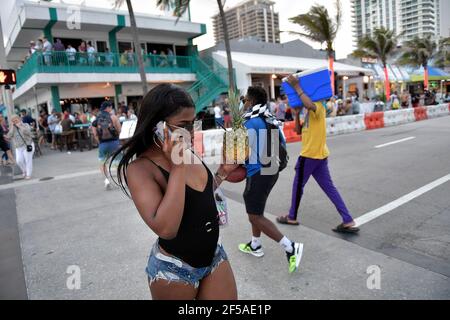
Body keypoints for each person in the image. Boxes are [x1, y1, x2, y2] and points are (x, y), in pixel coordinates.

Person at [108, 83, 238, 300]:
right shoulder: (140, 169)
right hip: (174, 271)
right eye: (183, 125)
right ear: (157, 126)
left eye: (192, 124)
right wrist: (177, 166)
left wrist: (223, 172)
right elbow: (166, 228)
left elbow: (197, 197)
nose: (189, 132)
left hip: (214, 256)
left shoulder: (187, 151)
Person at [276, 75, 359, 234]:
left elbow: (310, 104)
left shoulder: (318, 106)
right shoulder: (308, 112)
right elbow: (298, 131)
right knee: (329, 188)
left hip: (310, 156)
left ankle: (292, 216)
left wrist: (297, 87)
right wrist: (296, 114)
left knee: (297, 186)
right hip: (319, 157)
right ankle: (347, 219)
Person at [237, 86, 304, 274]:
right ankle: (255, 245)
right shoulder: (270, 118)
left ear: (250, 102)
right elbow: (281, 145)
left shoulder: (249, 122)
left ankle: (290, 247)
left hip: (258, 173)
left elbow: (238, 154)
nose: (243, 103)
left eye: (245, 100)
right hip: (271, 170)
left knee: (254, 216)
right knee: (255, 210)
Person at [92, 101, 122, 190]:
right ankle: (120, 182)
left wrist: (100, 142)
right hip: (114, 143)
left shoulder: (96, 119)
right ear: (108, 108)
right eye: (111, 107)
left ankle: (107, 180)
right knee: (118, 162)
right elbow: (119, 130)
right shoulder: (113, 117)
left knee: (103, 163)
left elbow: (94, 134)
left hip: (103, 144)